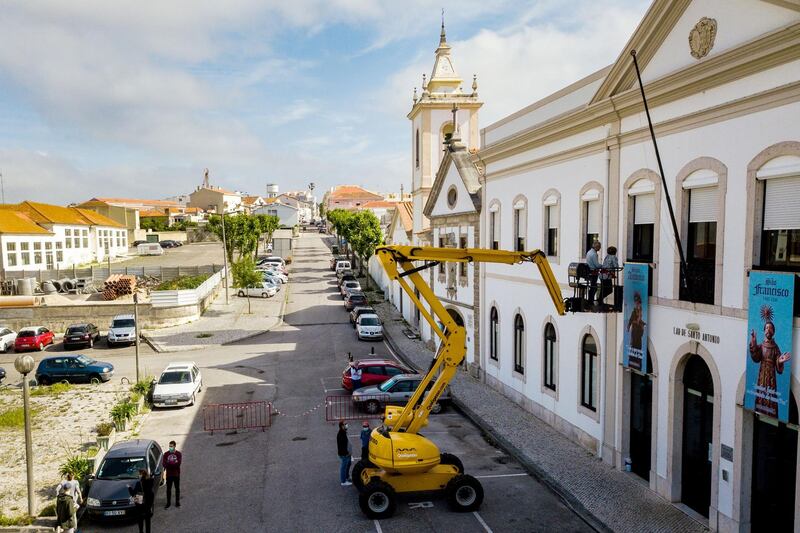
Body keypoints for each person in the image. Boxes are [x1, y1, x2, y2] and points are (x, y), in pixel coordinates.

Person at [750, 316, 791, 418]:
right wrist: (754, 342)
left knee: (771, 396)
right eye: (767, 328)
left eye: (771, 328)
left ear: (773, 332)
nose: (768, 329)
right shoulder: (761, 346)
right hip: (762, 374)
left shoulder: (775, 347)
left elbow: (779, 364)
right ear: (764, 331)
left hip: (771, 376)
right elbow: (756, 357)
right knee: (761, 394)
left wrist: (780, 361)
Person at [130, 469, 155, 533]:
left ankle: (141, 531)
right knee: (148, 521)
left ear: (141, 474)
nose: (138, 475)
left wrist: (129, 488)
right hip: (148, 504)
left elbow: (133, 494)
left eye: (139, 474)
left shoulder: (139, 483)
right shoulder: (151, 481)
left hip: (140, 503)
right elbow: (152, 493)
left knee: (140, 519)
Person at [162, 440, 182, 508]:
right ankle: (168, 503)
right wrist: (173, 463)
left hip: (176, 474)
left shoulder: (178, 454)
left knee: (177, 489)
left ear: (174, 446)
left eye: (171, 446)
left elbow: (178, 464)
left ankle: (177, 502)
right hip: (169, 475)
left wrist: (169, 462)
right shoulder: (166, 454)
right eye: (169, 446)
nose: (170, 447)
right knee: (168, 489)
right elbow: (164, 464)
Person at [585, 241, 602, 305]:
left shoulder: (589, 252)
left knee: (592, 286)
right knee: (593, 287)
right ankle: (591, 300)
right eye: (599, 247)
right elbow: (597, 265)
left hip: (589, 271)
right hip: (593, 272)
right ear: (596, 247)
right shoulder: (594, 254)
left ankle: (590, 300)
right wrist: (602, 266)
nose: (600, 248)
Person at [337, 420, 352, 486]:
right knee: (344, 467)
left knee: (348, 464)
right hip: (344, 454)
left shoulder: (344, 432)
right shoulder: (341, 434)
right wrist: (347, 453)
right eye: (345, 424)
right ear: (342, 426)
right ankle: (343, 481)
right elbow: (342, 446)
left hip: (347, 453)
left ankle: (347, 477)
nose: (346, 425)